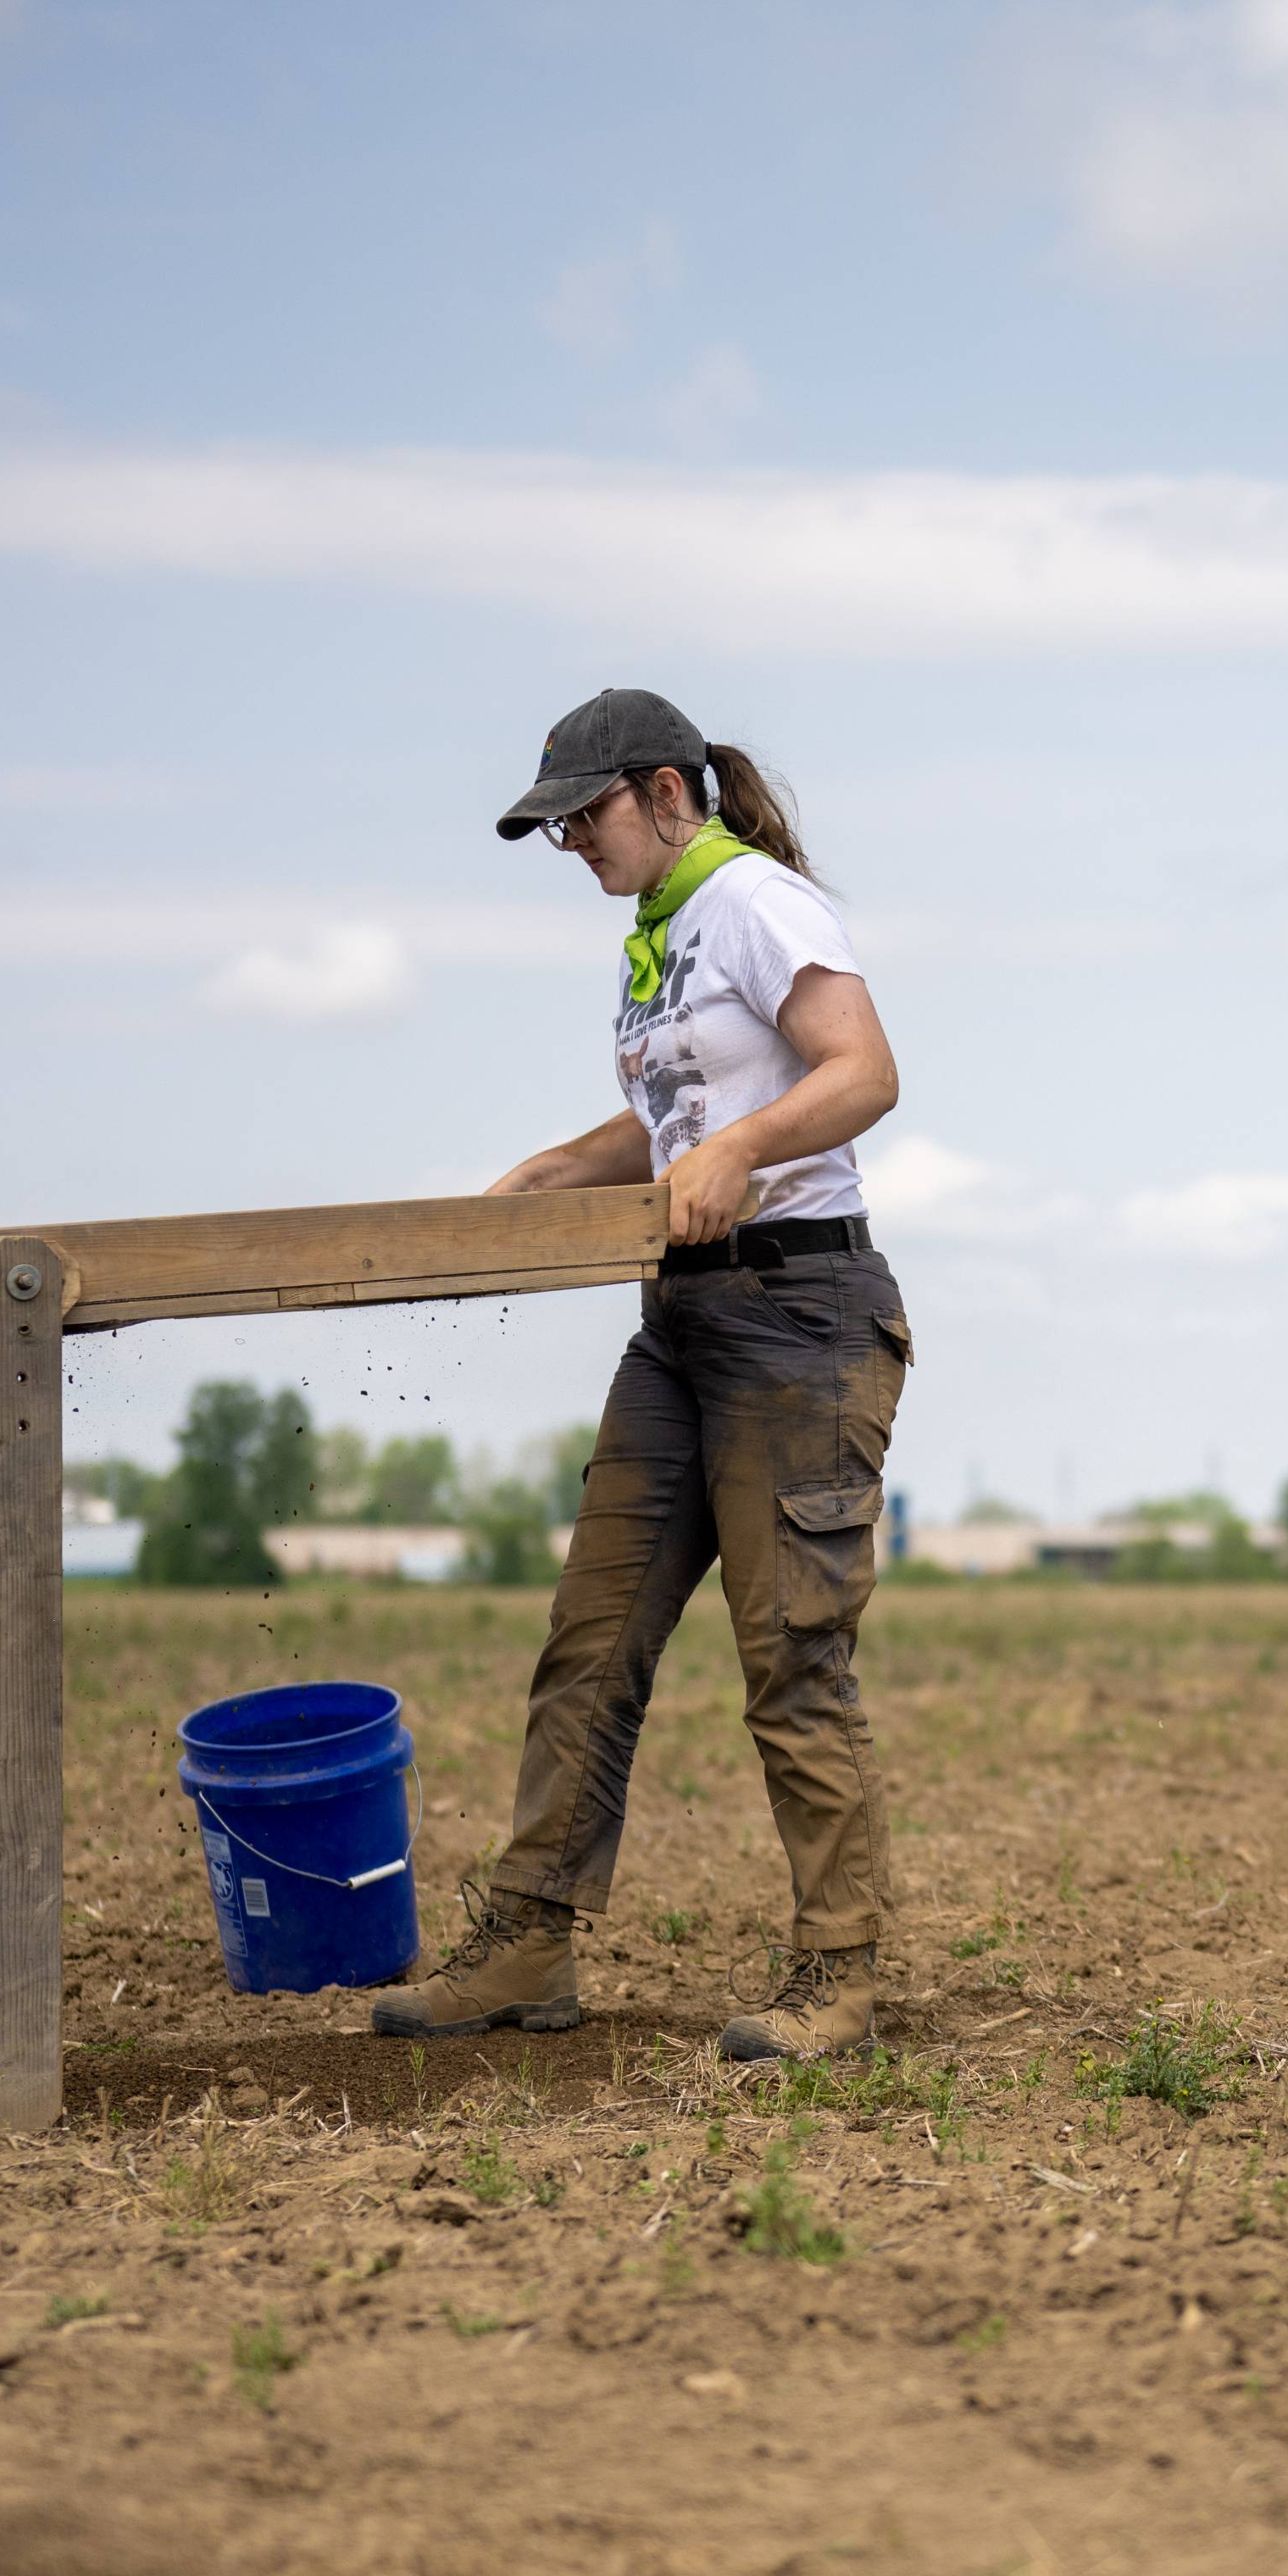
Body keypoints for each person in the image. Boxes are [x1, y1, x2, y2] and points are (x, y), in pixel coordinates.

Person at [369, 687, 910, 2062]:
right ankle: (528, 1944)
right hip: (681, 1324)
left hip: (801, 1314)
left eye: (587, 819)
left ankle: (836, 1975)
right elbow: (682, 1112)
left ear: (668, 793)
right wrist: (567, 1168)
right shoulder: (657, 938)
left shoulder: (754, 904)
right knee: (590, 1641)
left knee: (791, 1658)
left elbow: (863, 1072)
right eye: (557, 834)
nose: (577, 850)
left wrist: (741, 1156)